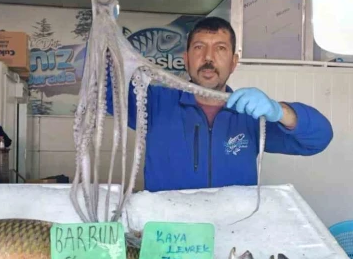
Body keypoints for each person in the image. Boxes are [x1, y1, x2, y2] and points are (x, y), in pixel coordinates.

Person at [106, 16, 333, 192]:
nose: (208, 58)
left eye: (220, 48)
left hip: (232, 235)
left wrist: (279, 110)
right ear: (185, 59)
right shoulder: (153, 103)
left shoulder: (251, 116)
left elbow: (318, 139)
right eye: (199, 47)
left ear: (234, 62)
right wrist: (104, 27)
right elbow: (104, 90)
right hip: (170, 238)